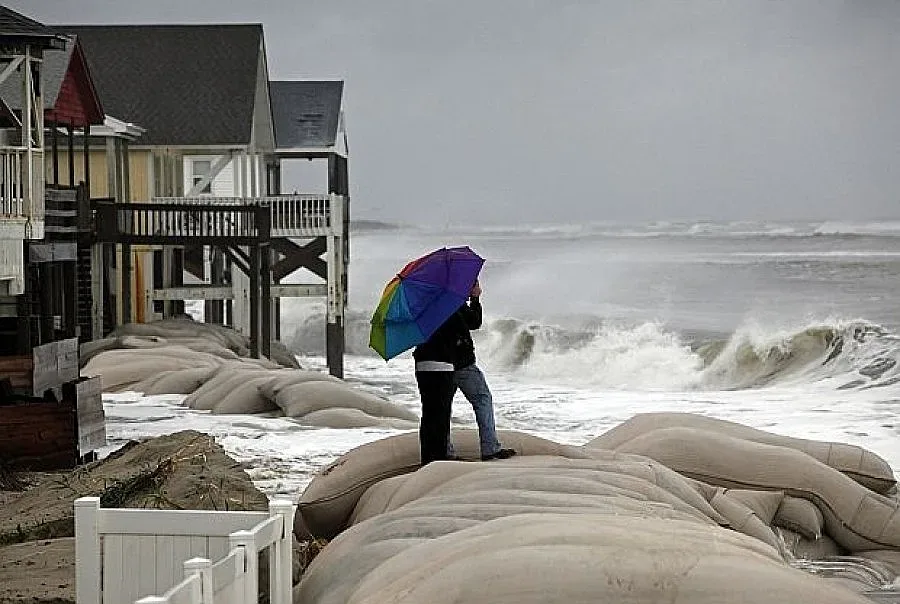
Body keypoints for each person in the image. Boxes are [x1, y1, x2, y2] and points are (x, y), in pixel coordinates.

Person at [448, 280, 517, 461]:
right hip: (462, 363)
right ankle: (490, 448)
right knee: (482, 399)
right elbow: (474, 322)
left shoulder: (433, 302)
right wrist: (475, 299)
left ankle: (446, 450)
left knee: (443, 408)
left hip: (440, 364)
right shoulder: (452, 302)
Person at [412, 309, 459, 465]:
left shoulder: (419, 311)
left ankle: (426, 456)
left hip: (422, 366)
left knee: (428, 413)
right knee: (442, 415)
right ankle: (439, 457)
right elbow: (471, 324)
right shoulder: (448, 309)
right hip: (443, 366)